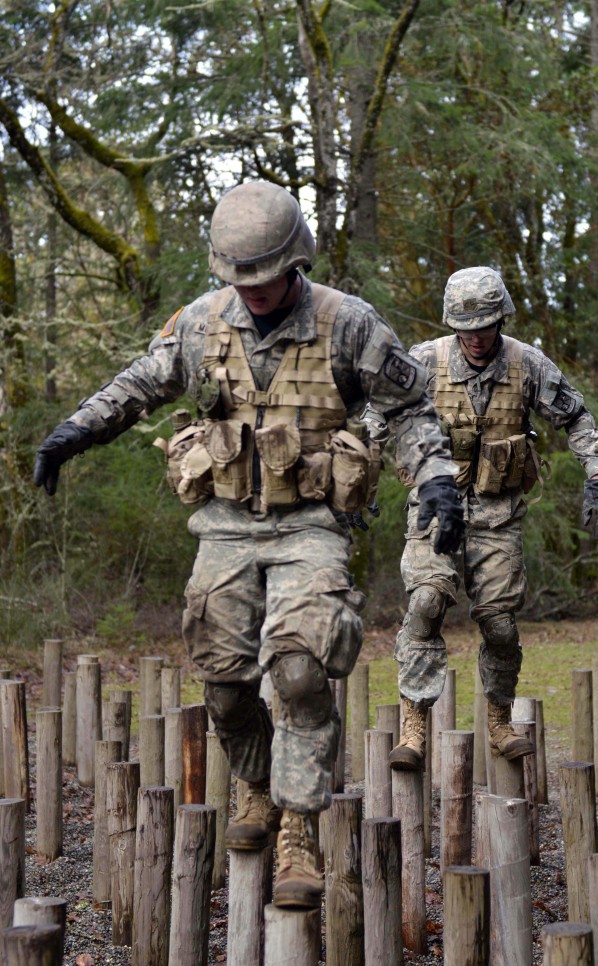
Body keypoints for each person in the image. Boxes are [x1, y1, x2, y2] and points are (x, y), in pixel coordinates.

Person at [33, 181, 464, 909]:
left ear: (294, 262)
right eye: (241, 279)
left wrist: (438, 480)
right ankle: (257, 786)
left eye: (266, 277)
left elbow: (412, 409)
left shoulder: (349, 324)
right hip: (227, 522)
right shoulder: (201, 324)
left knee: (298, 670)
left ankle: (298, 827)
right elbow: (142, 380)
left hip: (313, 524)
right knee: (224, 683)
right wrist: (77, 429)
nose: (255, 292)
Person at [374, 265, 598, 771]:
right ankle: (414, 722)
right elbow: (378, 418)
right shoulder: (423, 362)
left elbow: (574, 416)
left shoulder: (527, 364)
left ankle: (499, 719)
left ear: (501, 319)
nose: (477, 339)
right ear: (453, 325)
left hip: (498, 514)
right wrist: (351, 487)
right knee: (426, 602)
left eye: (485, 327)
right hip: (432, 508)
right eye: (467, 329)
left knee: (502, 625)